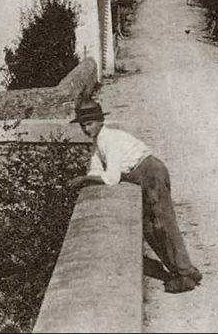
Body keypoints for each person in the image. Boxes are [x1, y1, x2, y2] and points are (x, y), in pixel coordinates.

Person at [67, 99, 203, 293]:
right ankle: (180, 270)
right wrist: (87, 178)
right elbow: (95, 168)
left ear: (100, 122)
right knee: (149, 229)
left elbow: (111, 178)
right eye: (83, 125)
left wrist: (82, 180)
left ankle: (186, 273)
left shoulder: (109, 140)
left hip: (150, 173)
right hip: (142, 176)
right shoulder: (98, 143)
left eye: (89, 124)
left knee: (163, 224)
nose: (86, 129)